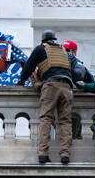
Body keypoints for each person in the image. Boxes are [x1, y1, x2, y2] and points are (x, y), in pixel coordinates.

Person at [18, 30, 74, 164]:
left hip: (51, 85)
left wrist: (20, 81)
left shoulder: (40, 49)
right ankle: (65, 154)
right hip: (67, 86)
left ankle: (43, 154)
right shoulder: (64, 51)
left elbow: (29, 67)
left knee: (46, 118)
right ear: (54, 39)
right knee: (65, 121)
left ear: (43, 40)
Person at [63, 40, 95, 139]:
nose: (64, 52)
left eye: (67, 50)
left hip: (78, 104)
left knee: (75, 135)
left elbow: (79, 75)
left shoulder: (77, 64)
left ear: (74, 52)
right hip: (66, 101)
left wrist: (67, 67)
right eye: (63, 49)